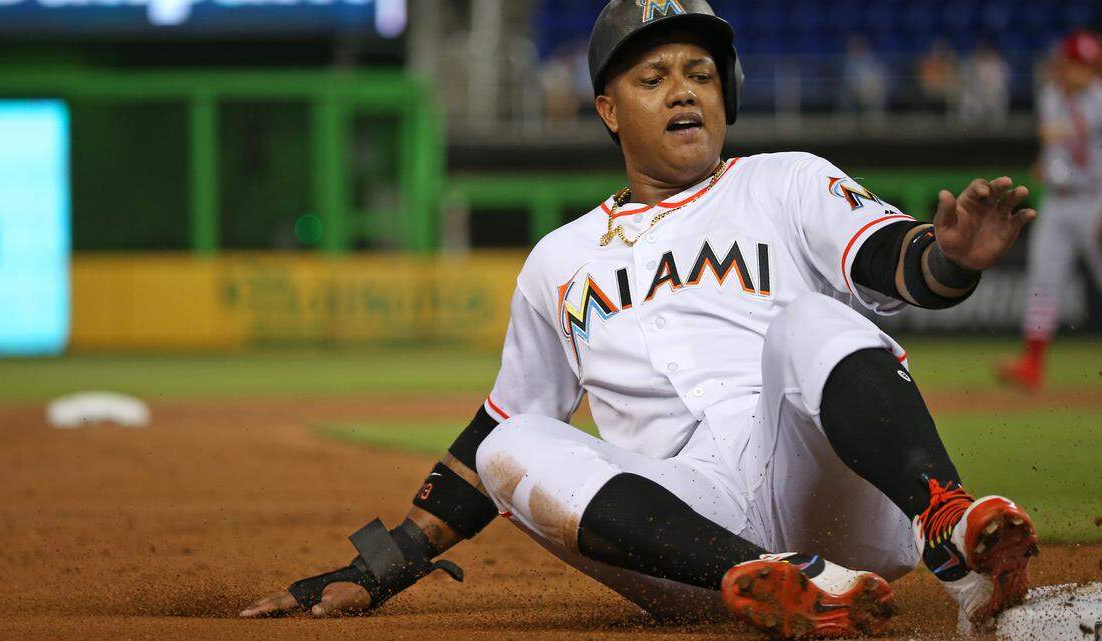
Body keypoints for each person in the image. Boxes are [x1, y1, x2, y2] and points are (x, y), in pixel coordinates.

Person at [240, 2, 1040, 637]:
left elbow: (897, 260)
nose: (685, 89)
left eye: (700, 72)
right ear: (608, 109)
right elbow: (495, 431)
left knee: (807, 318)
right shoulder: (559, 258)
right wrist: (381, 566)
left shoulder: (785, 183)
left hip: (823, 482)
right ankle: (776, 577)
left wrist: (951, 260)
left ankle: (944, 515)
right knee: (509, 444)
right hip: (684, 539)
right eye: (653, 76)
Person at [999, 30, 1102, 390]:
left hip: (1095, 199)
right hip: (1059, 200)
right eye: (1076, 64)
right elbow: (1057, 144)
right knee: (1043, 280)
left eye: (1087, 65)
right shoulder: (1051, 96)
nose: (1081, 71)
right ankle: (1032, 362)